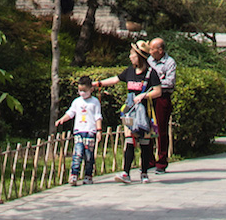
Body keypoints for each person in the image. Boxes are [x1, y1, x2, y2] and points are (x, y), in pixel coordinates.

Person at [94, 41, 161, 184]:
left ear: (139, 57)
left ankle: (144, 173)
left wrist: (144, 96)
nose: (130, 57)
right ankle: (126, 172)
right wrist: (98, 84)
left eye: (132, 54)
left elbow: (158, 91)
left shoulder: (151, 73)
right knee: (129, 140)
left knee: (144, 143)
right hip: (130, 111)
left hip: (145, 113)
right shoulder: (129, 71)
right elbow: (116, 79)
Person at [55, 75, 102, 186]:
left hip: (90, 131)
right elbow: (71, 113)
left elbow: (98, 117)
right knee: (78, 153)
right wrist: (62, 119)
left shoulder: (95, 102)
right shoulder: (77, 102)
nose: (82, 93)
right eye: (80, 90)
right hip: (79, 131)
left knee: (89, 155)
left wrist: (99, 130)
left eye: (84, 91)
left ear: (91, 89)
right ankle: (74, 175)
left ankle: (88, 175)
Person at [148, 36, 176, 173]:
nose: (150, 51)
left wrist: (156, 84)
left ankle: (162, 161)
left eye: (152, 49)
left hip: (163, 97)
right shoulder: (149, 61)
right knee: (149, 127)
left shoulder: (169, 62)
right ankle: (149, 159)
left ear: (160, 50)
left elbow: (170, 82)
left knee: (161, 129)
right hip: (149, 96)